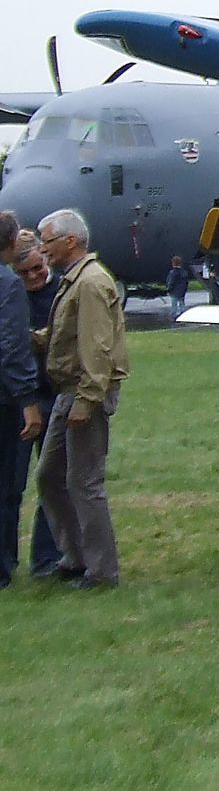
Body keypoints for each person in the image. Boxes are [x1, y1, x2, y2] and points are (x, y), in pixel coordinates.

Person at [36, 209, 128, 589]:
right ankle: (75, 557)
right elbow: (67, 335)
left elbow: (97, 346)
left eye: (47, 241)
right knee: (49, 478)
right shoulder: (73, 280)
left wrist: (87, 401)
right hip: (69, 390)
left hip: (83, 392)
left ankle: (102, 571)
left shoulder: (90, 283)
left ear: (69, 241)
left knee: (84, 483)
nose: (42, 249)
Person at [10, 231, 63, 578]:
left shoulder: (61, 291)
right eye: (23, 272)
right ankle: (5, 560)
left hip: (55, 394)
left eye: (37, 268)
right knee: (11, 485)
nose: (33, 277)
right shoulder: (10, 297)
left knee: (54, 482)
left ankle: (46, 558)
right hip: (18, 399)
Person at [0, 212, 43, 588]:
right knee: (8, 484)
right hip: (5, 400)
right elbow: (13, 347)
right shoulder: (8, 285)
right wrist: (27, 399)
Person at [165, 255, 192, 321]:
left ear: (173, 263)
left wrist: (168, 289)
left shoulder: (173, 273)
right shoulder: (184, 272)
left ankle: (173, 317)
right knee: (182, 303)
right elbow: (186, 282)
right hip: (182, 291)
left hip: (174, 291)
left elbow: (171, 282)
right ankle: (184, 315)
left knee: (174, 305)